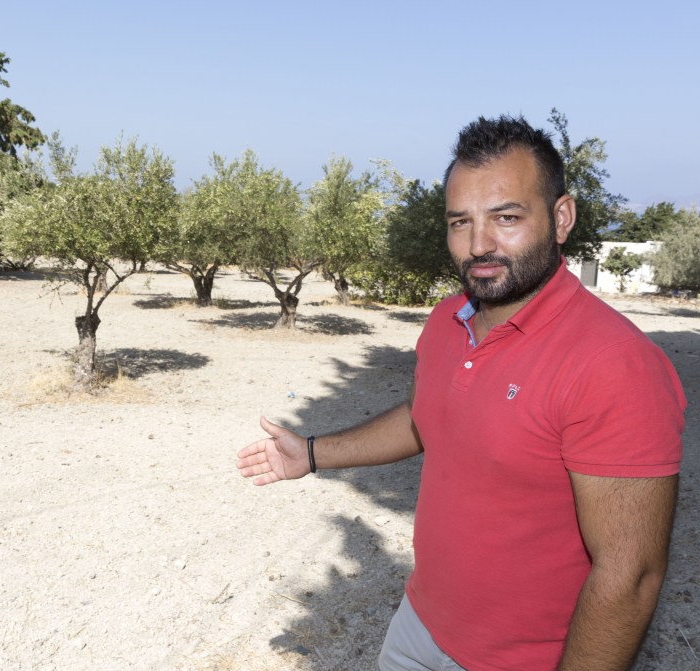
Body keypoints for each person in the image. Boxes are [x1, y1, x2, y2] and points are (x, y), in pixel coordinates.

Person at [236, 115, 686, 671]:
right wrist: (309, 453)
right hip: (419, 626)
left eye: (507, 217)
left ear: (561, 217)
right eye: (460, 222)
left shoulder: (614, 365)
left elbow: (631, 577)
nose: (479, 244)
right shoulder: (450, 316)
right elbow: (426, 415)